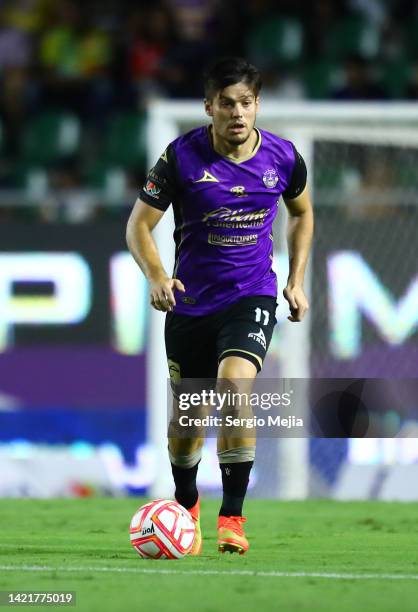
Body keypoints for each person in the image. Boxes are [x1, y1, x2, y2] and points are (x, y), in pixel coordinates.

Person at [126, 56, 313, 555]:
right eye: (226, 104)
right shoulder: (180, 157)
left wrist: (294, 280)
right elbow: (138, 225)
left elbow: (301, 213)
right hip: (189, 304)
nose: (237, 113)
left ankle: (232, 516)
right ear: (209, 107)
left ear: (257, 106)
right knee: (187, 424)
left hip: (250, 295)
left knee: (236, 383)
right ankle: (186, 503)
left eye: (246, 103)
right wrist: (158, 275)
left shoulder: (283, 157)